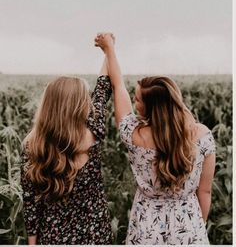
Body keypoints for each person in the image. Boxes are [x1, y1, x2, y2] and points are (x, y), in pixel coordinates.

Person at [95, 32, 216, 245]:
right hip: (189, 231)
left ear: (150, 108)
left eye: (138, 99)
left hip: (145, 231)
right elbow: (204, 191)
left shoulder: (134, 135)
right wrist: (196, 229)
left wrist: (110, 50)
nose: (134, 101)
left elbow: (118, 87)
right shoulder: (203, 136)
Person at [21, 58, 113, 245]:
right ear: (79, 105)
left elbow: (31, 203)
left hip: (53, 238)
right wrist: (108, 50)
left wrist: (32, 243)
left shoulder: (33, 145)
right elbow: (103, 90)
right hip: (95, 236)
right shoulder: (93, 134)